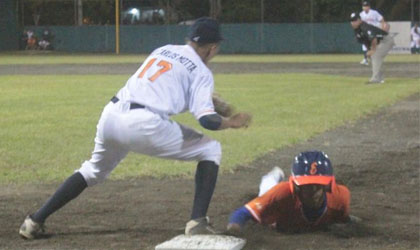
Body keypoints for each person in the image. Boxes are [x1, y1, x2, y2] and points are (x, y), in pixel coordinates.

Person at [19, 17, 252, 240]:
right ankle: (197, 222)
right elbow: (206, 121)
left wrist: (208, 101)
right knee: (210, 150)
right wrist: (231, 122)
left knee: (93, 171)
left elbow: (164, 85)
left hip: (111, 115)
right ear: (211, 48)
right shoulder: (202, 71)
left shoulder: (163, 49)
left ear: (190, 39)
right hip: (144, 124)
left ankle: (34, 221)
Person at [226, 151, 359, 234]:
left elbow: (343, 219)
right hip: (277, 200)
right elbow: (243, 213)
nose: (313, 191)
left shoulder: (341, 196)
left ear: (328, 185)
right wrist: (234, 230)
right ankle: (271, 178)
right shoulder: (282, 195)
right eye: (307, 185)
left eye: (318, 185)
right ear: (296, 186)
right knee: (266, 193)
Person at [350, 12, 394, 84]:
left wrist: (373, 50)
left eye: (354, 21)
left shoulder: (364, 26)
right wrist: (369, 50)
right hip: (379, 42)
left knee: (375, 55)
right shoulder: (357, 30)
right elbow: (365, 41)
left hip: (386, 40)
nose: (352, 23)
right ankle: (380, 78)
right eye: (351, 21)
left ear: (359, 20)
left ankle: (376, 79)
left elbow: (373, 38)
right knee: (373, 56)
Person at [359, 1, 389, 66]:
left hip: (373, 31)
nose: (365, 7)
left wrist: (383, 26)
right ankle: (366, 59)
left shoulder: (374, 13)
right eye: (364, 6)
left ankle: (371, 59)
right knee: (365, 45)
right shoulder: (361, 14)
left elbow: (381, 19)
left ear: (369, 7)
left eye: (366, 6)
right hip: (366, 32)